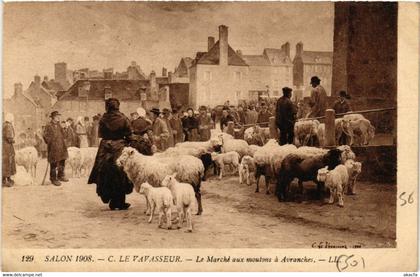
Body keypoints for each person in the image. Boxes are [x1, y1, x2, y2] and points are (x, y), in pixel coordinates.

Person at [88, 98, 133, 210]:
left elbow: (101, 134)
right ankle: (120, 202)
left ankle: (111, 200)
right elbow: (129, 134)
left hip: (105, 148)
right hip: (119, 146)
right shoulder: (123, 118)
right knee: (120, 174)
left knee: (105, 173)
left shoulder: (103, 119)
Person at [43, 111, 69, 186]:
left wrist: (65, 128)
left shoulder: (59, 125)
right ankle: (53, 179)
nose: (58, 117)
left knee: (62, 161)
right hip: (53, 148)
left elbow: (64, 135)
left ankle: (60, 176)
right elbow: (45, 136)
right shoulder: (48, 126)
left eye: (59, 116)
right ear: (53, 117)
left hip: (61, 147)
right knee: (54, 163)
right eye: (57, 116)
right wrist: (51, 142)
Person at [3, 113, 16, 187]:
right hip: (7, 147)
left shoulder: (3, 125)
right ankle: (7, 179)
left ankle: (5, 179)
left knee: (5, 163)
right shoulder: (8, 126)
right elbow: (9, 137)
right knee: (8, 162)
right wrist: (12, 140)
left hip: (4, 147)